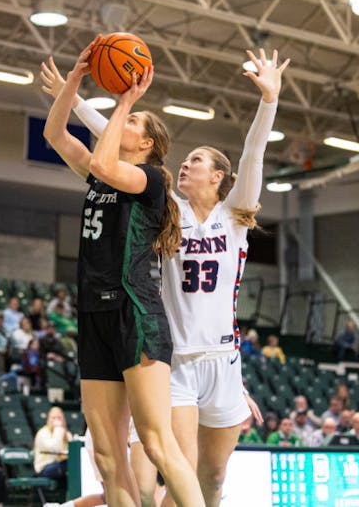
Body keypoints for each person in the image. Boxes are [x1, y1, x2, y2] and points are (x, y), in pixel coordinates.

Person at [44, 47, 287, 507]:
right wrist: (76, 98)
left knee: (213, 477)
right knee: (171, 458)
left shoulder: (234, 216)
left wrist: (269, 99)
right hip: (174, 357)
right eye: (186, 158)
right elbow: (113, 150)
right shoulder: (166, 204)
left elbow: (254, 154)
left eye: (197, 160)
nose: (187, 164)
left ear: (219, 176)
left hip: (223, 359)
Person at [42, 38, 207, 507]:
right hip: (94, 313)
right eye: (127, 118)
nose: (125, 122)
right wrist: (75, 81)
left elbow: (101, 160)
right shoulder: (101, 176)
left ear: (148, 144)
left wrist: (126, 100)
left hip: (135, 315)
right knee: (108, 456)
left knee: (156, 443)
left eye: (133, 123)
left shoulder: (150, 181)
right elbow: (56, 136)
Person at [33, 407, 71, 483]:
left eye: (59, 418)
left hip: (61, 465)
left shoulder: (67, 434)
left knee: (74, 465)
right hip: (44, 468)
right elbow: (55, 449)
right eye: (54, 418)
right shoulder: (43, 433)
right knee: (68, 466)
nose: (57, 421)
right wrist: (58, 429)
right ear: (48, 419)